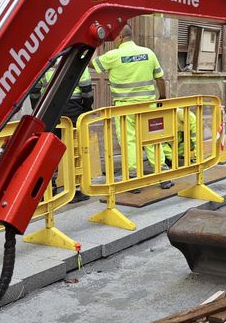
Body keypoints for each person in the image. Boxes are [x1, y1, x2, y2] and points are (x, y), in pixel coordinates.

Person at [92, 23, 173, 190]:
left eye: (114, 37)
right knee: (153, 139)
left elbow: (92, 64)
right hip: (148, 106)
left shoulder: (113, 55)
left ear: (121, 37)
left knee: (129, 141)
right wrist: (162, 97)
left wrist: (92, 44)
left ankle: (134, 179)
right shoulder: (148, 53)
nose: (113, 41)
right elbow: (160, 79)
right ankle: (163, 176)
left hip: (124, 109)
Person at [29, 63, 94, 203]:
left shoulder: (46, 62)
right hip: (73, 110)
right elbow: (87, 90)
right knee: (73, 150)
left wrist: (38, 111)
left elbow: (34, 91)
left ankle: (47, 189)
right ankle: (74, 189)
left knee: (49, 150)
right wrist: (87, 108)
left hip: (49, 110)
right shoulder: (78, 61)